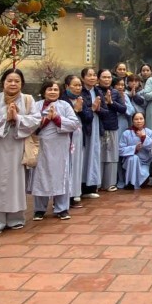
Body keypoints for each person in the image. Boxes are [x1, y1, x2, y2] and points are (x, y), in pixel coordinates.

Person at [0, 69, 41, 235]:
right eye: (9, 81)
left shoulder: (28, 100)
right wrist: (5, 118)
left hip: (17, 146)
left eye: (17, 81)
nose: (13, 84)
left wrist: (18, 118)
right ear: (3, 82)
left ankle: (15, 218)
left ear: (22, 83)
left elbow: (35, 120)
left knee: (15, 181)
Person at [29, 81, 80, 221]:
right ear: (44, 91)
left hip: (60, 146)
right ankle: (39, 209)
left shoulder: (65, 105)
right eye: (49, 89)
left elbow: (74, 123)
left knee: (61, 176)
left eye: (55, 89)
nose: (52, 92)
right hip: (42, 146)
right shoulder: (37, 106)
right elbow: (30, 125)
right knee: (41, 176)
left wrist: (57, 118)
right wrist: (45, 121)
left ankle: (62, 208)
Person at [62, 74, 92, 209]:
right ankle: (63, 196)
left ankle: (74, 194)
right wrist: (75, 110)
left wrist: (80, 111)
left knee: (77, 164)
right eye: (74, 85)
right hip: (65, 137)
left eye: (79, 85)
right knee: (66, 165)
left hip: (79, 136)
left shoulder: (82, 99)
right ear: (67, 86)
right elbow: (62, 120)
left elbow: (89, 116)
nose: (77, 88)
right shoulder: (62, 100)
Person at [96, 69, 127, 192]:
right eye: (104, 77)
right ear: (99, 78)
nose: (107, 79)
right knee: (98, 156)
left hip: (112, 126)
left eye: (109, 77)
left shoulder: (115, 92)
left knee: (111, 156)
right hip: (98, 126)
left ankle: (109, 183)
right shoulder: (95, 91)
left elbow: (123, 109)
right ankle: (97, 183)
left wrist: (111, 103)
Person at [118, 112, 152, 190]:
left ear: (144, 120)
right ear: (132, 121)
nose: (139, 121)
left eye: (141, 119)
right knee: (134, 158)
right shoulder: (126, 133)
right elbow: (120, 150)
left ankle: (137, 182)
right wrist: (134, 148)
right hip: (130, 162)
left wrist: (144, 137)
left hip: (145, 162)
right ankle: (130, 183)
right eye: (136, 119)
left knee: (144, 175)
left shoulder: (150, 133)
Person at [80, 67, 102, 198]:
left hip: (96, 124)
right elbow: (81, 110)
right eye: (89, 75)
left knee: (93, 154)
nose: (93, 77)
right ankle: (80, 186)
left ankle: (90, 186)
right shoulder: (81, 92)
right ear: (83, 78)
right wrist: (92, 108)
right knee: (83, 154)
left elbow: (105, 110)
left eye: (94, 75)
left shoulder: (98, 91)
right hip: (84, 126)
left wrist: (98, 109)